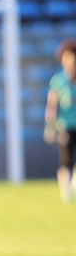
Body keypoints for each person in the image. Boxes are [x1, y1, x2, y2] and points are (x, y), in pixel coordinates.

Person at [45, 38, 76, 204]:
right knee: (66, 160)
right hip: (65, 126)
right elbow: (52, 103)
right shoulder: (59, 80)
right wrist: (50, 124)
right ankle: (66, 192)